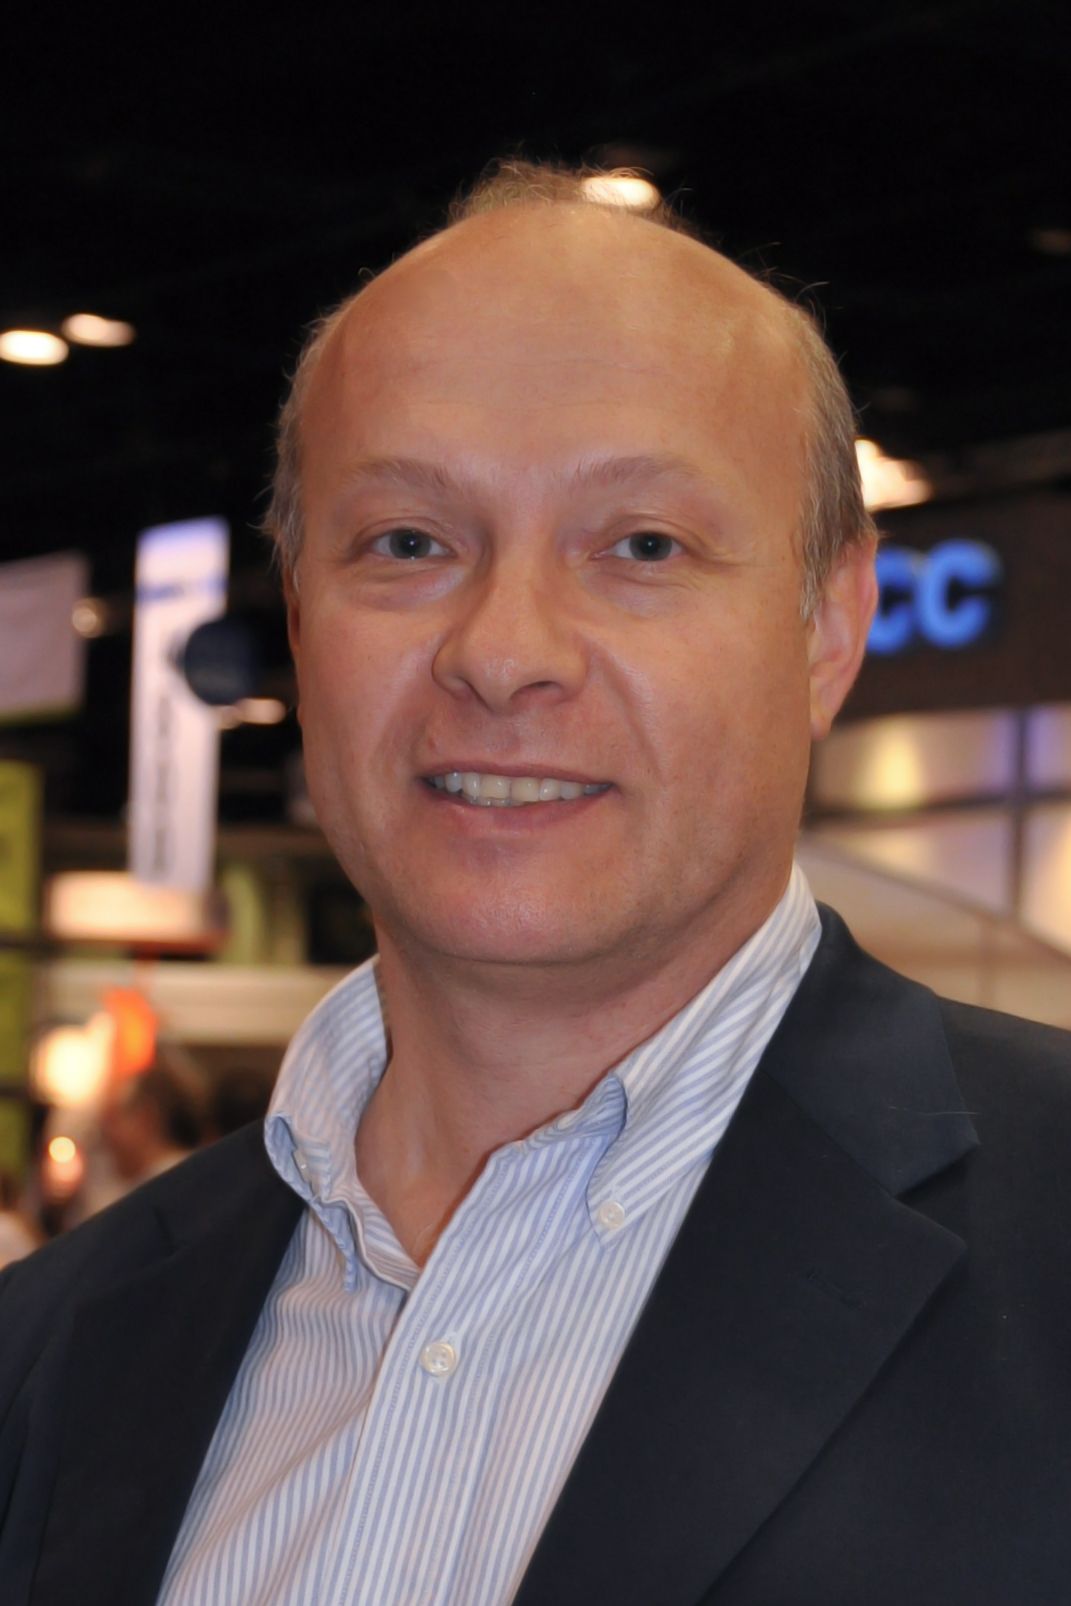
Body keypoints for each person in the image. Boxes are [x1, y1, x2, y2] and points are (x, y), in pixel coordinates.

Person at [2, 160, 1069, 1606]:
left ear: (827, 626)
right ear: (302, 618)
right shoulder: (50, 1353)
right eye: (408, 542)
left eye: (642, 546)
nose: (504, 654)